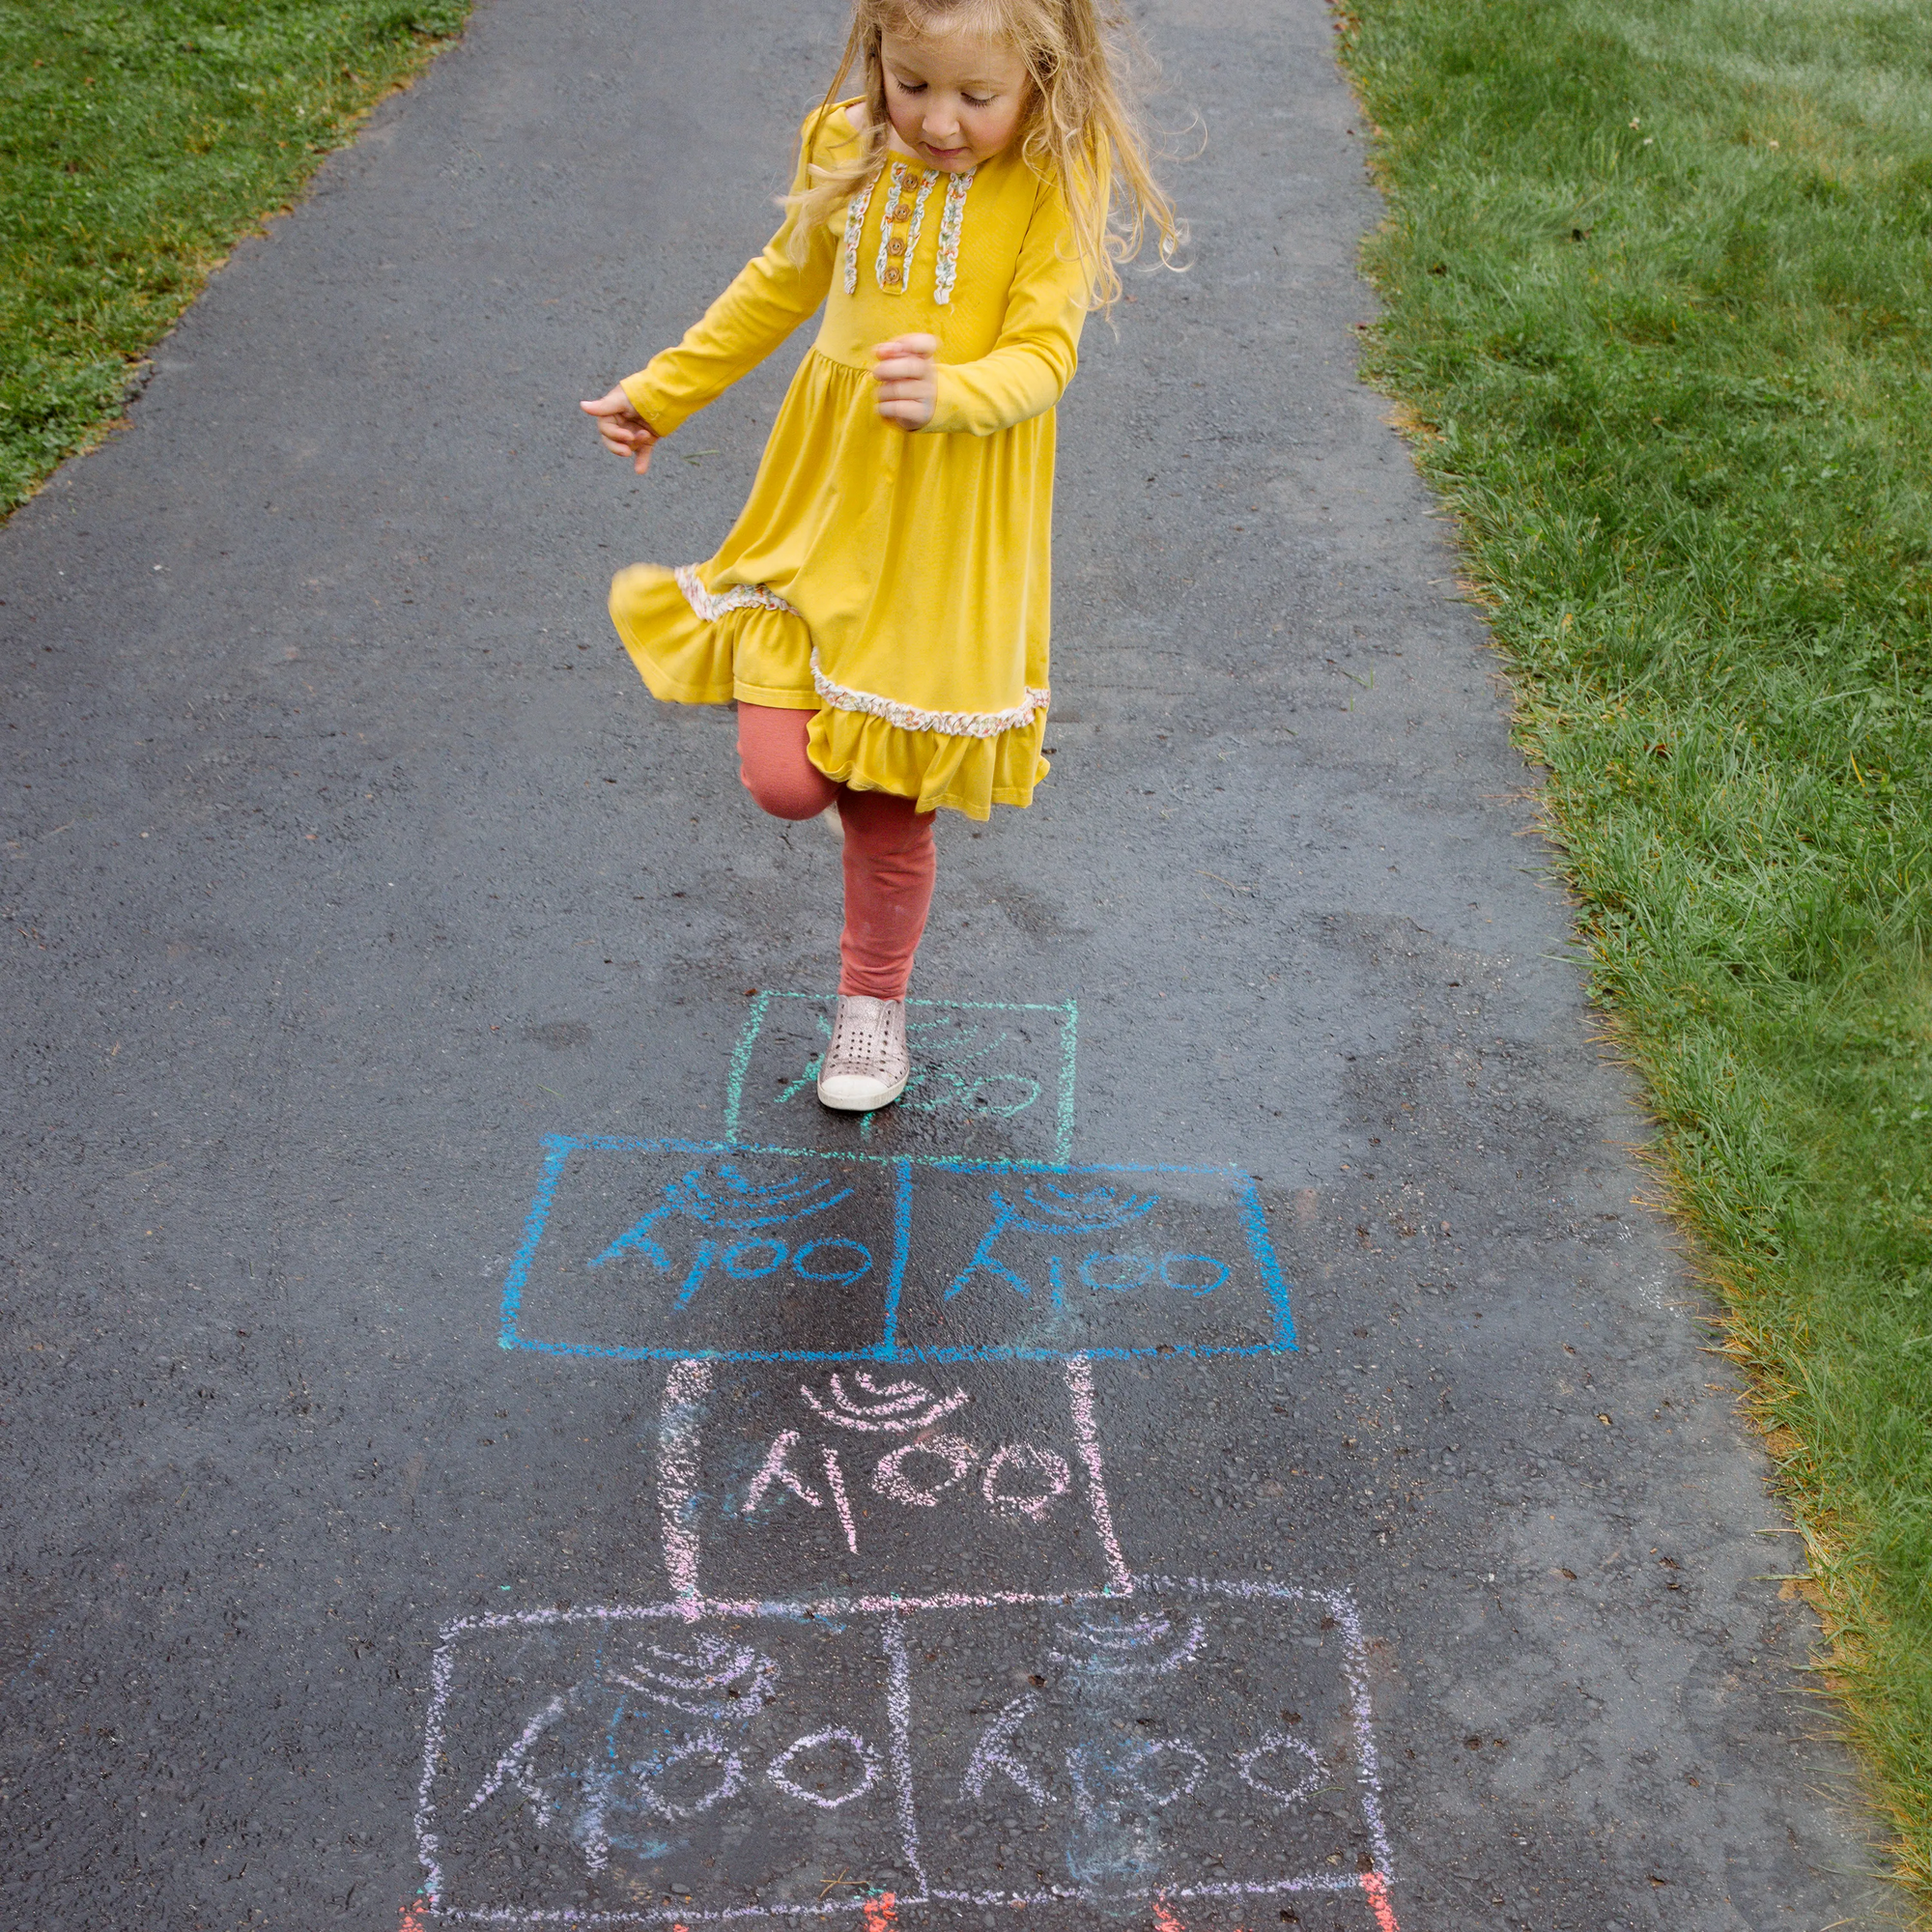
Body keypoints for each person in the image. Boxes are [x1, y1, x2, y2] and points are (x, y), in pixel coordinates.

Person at [582, 0, 1179, 1111]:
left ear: (1039, 78)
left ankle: (870, 1008)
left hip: (947, 528)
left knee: (885, 803)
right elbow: (778, 283)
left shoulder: (1052, 171)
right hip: (825, 498)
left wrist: (955, 393)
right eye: (911, 84)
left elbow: (1047, 351)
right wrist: (661, 393)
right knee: (781, 781)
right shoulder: (846, 138)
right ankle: (802, 684)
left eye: (973, 96)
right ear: (877, 57)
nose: (937, 121)